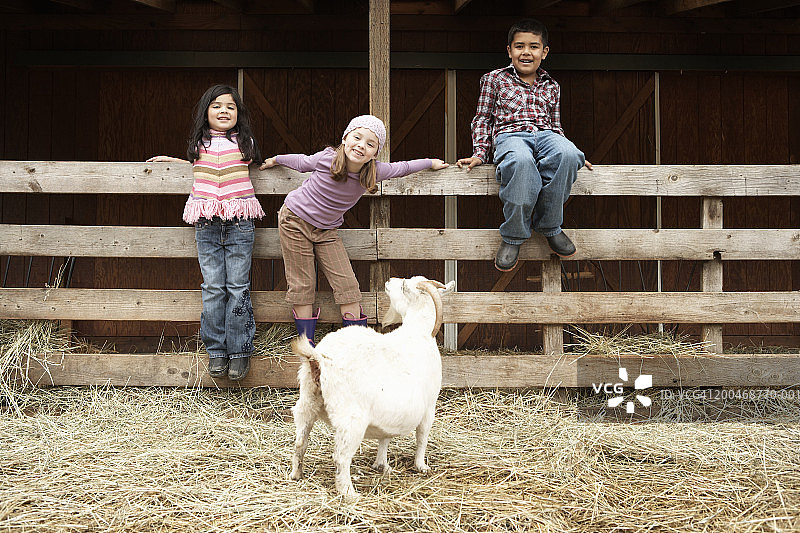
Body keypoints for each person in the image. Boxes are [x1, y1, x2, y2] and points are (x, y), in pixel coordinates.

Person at [260, 114, 448, 346]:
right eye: (357, 137)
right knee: (302, 282)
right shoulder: (327, 158)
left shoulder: (375, 171)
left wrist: (431, 162)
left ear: (375, 153)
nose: (361, 145)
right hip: (295, 220)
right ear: (345, 138)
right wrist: (276, 160)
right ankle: (306, 344)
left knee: (347, 284)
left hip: (326, 231)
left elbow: (404, 167)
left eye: (370, 144)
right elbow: (301, 162)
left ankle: (357, 345)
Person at [147, 84, 264, 381]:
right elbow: (195, 164)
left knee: (237, 287)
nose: (224, 111)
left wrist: (288, 161)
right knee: (213, 288)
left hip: (239, 223)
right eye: (217, 106)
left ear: (239, 114)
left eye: (230, 106)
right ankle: (216, 351)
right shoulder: (199, 143)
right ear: (206, 112)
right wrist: (169, 162)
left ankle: (239, 351)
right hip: (207, 225)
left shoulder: (245, 142)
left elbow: (262, 165)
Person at [457, 18, 592, 272]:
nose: (526, 52)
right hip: (511, 135)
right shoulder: (494, 79)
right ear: (509, 50)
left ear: (544, 52)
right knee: (521, 161)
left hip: (546, 134)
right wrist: (480, 152)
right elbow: (483, 117)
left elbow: (556, 124)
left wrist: (572, 154)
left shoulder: (552, 85)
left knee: (568, 153)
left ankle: (550, 226)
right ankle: (514, 235)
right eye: (519, 46)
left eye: (533, 46)